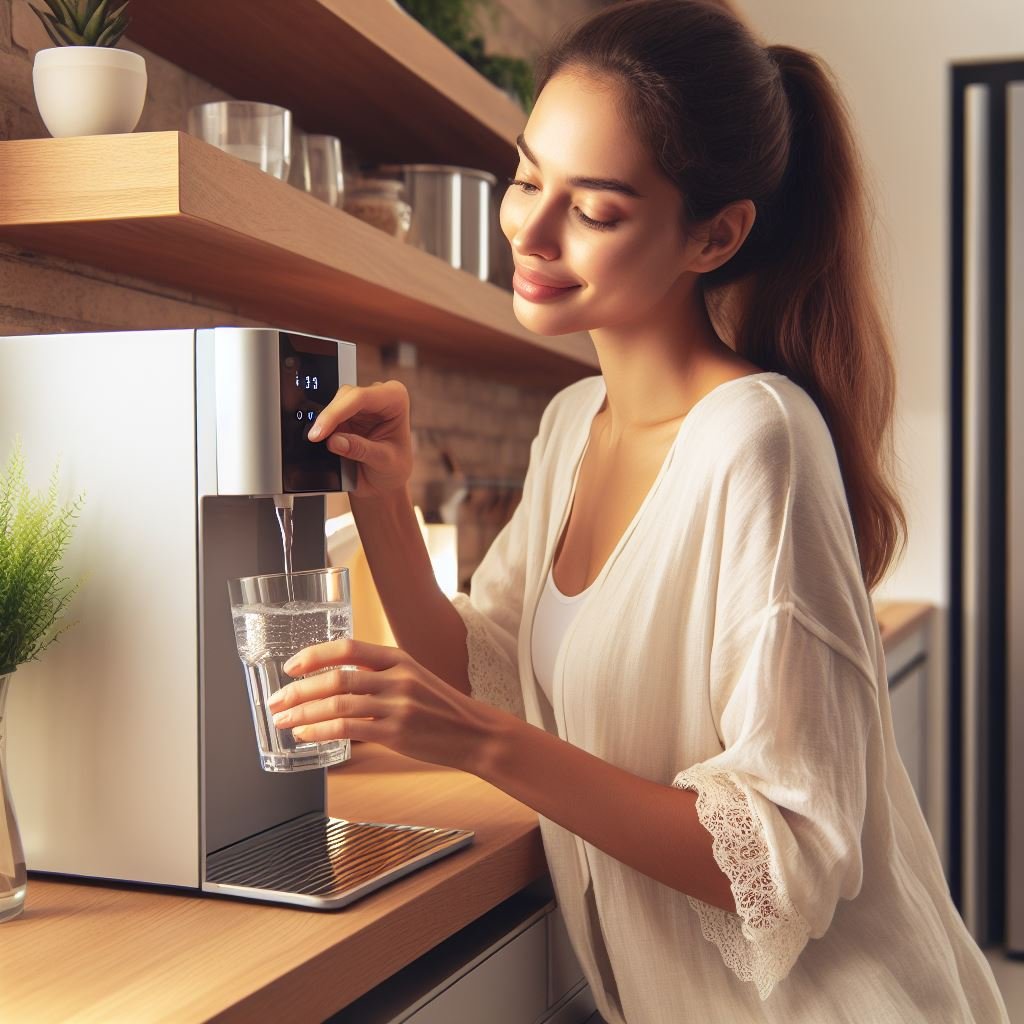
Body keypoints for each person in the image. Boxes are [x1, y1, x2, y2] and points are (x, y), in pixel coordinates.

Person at [266, 1, 1011, 1020]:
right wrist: (387, 502)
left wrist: (483, 744)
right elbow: (487, 668)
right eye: (528, 176)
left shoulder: (759, 436)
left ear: (715, 235)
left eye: (594, 208)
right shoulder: (573, 423)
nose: (527, 227)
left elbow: (787, 847)